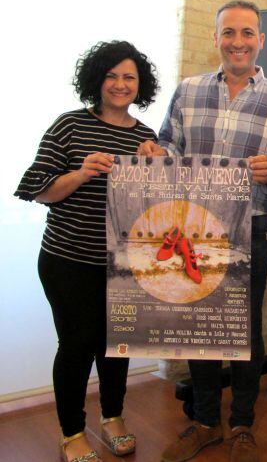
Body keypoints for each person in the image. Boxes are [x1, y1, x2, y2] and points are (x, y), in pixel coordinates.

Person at [137, 0, 267, 462]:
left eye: (247, 33)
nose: (238, 42)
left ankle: (243, 425)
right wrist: (155, 152)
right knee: (199, 325)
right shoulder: (188, 91)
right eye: (229, 32)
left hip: (252, 226)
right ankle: (206, 422)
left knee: (246, 329)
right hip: (193, 230)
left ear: (260, 41)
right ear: (216, 38)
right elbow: (170, 145)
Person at [15, 41, 160, 462]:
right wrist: (81, 173)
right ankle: (71, 431)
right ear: (96, 80)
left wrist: (159, 164)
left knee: (119, 344)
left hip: (125, 264)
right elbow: (37, 190)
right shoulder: (70, 126)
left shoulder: (147, 137)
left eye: (128, 77)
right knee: (77, 345)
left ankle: (112, 417)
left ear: (140, 84)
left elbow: (158, 208)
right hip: (69, 261)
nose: (119, 84)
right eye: (111, 75)